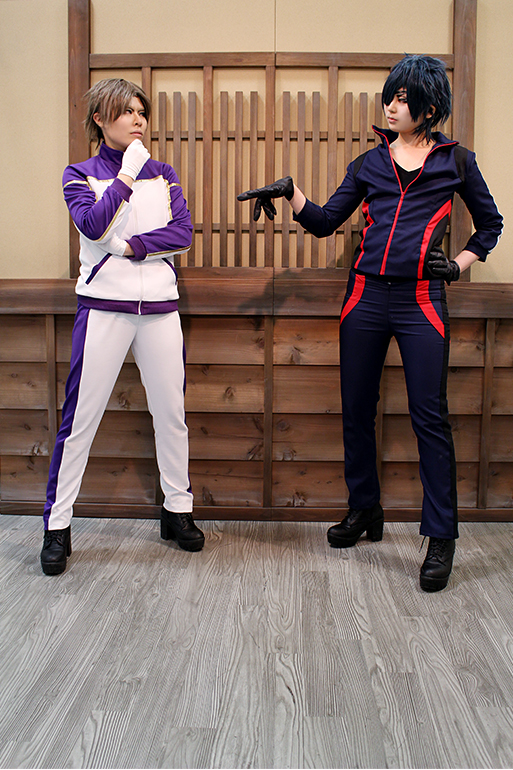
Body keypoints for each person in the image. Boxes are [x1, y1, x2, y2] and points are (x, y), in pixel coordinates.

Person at [237, 55, 503, 592]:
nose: (391, 105)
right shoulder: (368, 164)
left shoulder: (457, 161)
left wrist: (457, 266)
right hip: (364, 297)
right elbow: (325, 221)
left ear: (429, 107)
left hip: (422, 300)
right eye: (390, 96)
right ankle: (364, 510)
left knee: (430, 417)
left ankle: (441, 536)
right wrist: (291, 193)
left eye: (403, 98)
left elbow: (490, 225)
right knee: (357, 408)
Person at [41, 78, 204, 575]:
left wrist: (131, 246)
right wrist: (127, 174)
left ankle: (178, 511)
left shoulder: (165, 173)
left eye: (141, 111)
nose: (138, 119)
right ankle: (57, 526)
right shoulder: (79, 174)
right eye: (126, 111)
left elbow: (182, 233)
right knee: (80, 419)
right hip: (103, 308)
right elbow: (93, 225)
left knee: (171, 414)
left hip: (160, 308)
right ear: (100, 118)